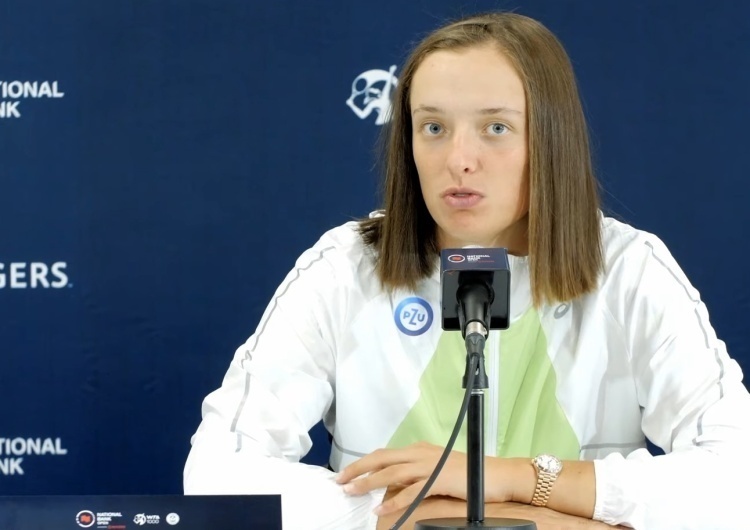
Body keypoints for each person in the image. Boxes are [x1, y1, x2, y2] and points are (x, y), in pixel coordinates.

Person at [183, 11, 750, 530]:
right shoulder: (345, 268)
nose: (458, 159)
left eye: (495, 128)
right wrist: (431, 516)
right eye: (433, 128)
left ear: (550, 139)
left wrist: (511, 480)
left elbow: (737, 480)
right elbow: (216, 476)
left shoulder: (629, 270)